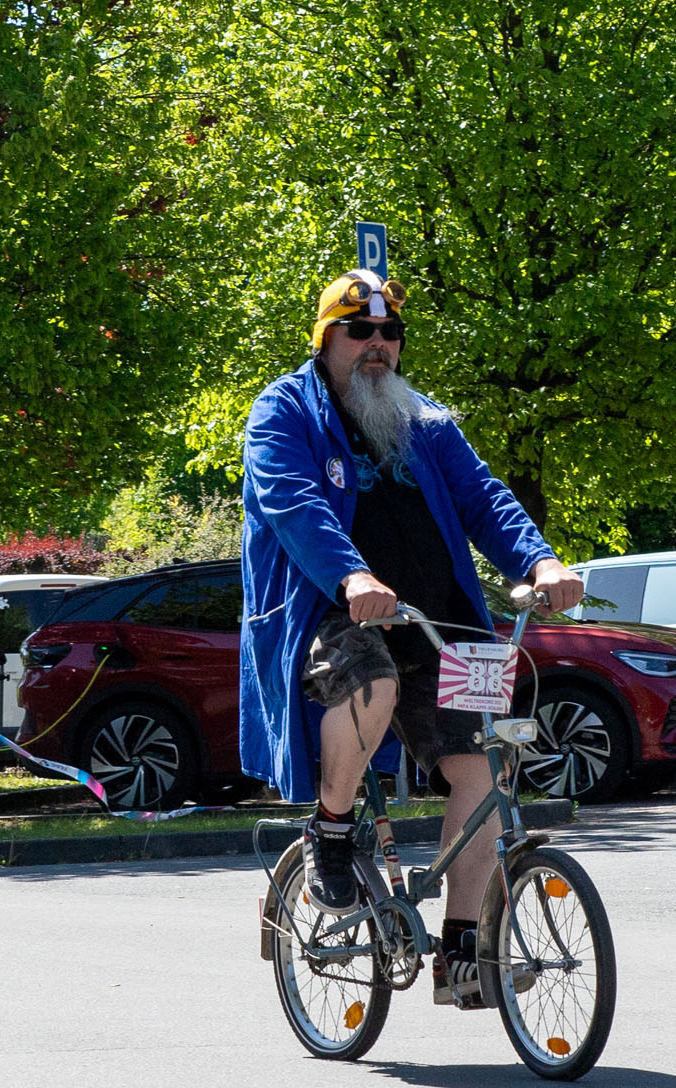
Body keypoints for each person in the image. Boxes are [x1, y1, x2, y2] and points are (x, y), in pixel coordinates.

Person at [240, 267, 583, 1005]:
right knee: (373, 682)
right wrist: (352, 577)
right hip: (332, 612)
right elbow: (295, 504)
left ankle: (463, 952)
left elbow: (485, 496)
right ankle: (331, 830)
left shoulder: (424, 419)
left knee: (486, 769)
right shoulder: (282, 412)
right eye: (358, 330)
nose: (377, 344)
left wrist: (540, 559)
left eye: (389, 332)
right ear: (325, 338)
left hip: (440, 621)